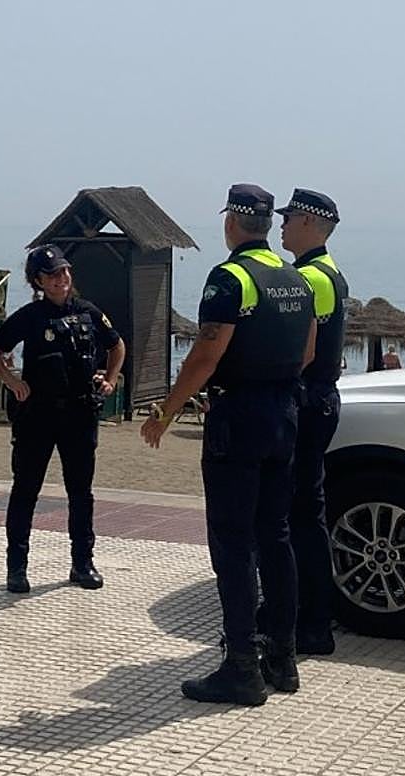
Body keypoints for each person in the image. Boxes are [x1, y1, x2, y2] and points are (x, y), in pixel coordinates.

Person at [141, 184, 316, 705]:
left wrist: (166, 410)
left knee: (234, 544)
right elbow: (307, 351)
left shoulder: (231, 278)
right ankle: (281, 658)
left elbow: (204, 356)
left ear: (231, 224)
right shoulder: (295, 277)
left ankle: (241, 664)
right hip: (284, 413)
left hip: (238, 416)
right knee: (277, 536)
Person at [0, 244, 126, 594]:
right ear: (38, 282)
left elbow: (117, 345)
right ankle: (16, 568)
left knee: (81, 493)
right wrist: (11, 381)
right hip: (38, 416)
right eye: (51, 275)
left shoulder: (88, 312)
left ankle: (82, 563)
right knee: (25, 492)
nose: (60, 279)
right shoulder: (30, 317)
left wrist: (109, 378)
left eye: (64, 272)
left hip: (79, 415)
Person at [274, 188, 348, 656]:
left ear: (306, 223)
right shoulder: (329, 272)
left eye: (287, 219)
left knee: (299, 515)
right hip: (320, 399)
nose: (280, 227)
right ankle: (312, 616)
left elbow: (300, 350)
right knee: (307, 512)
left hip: (305, 401)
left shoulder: (310, 279)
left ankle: (310, 621)